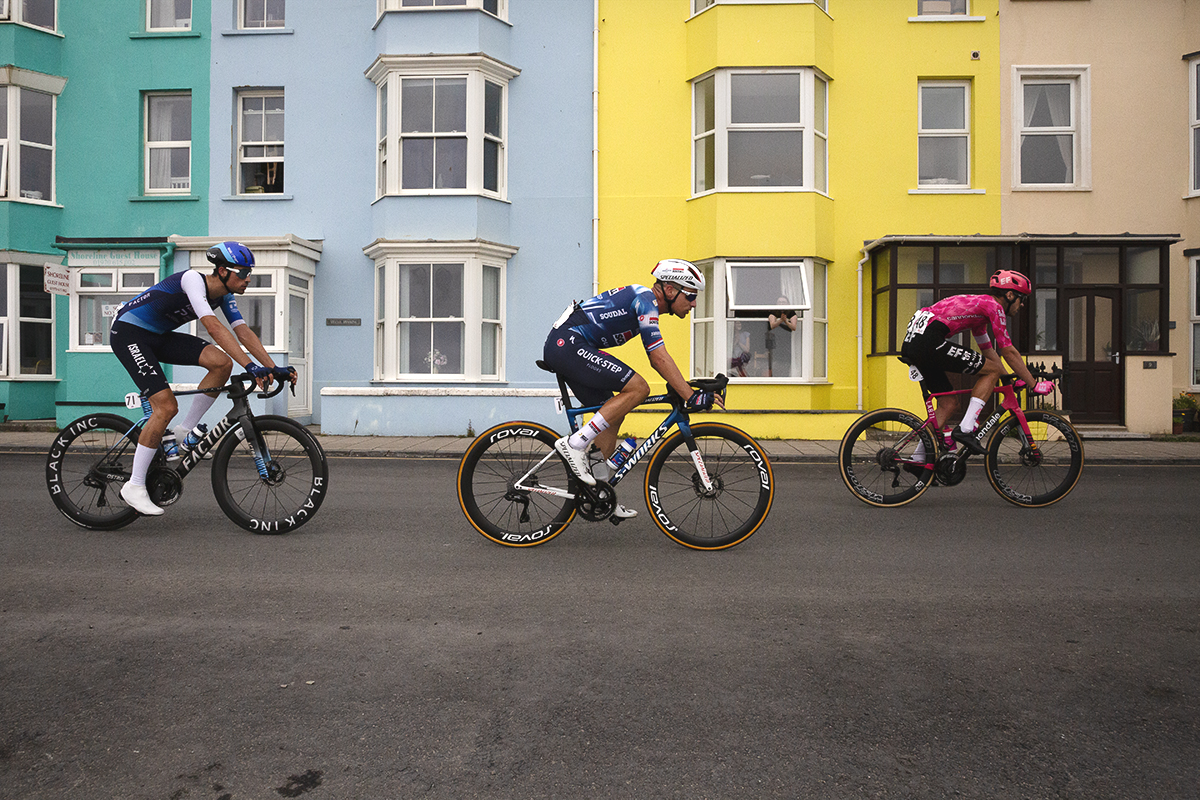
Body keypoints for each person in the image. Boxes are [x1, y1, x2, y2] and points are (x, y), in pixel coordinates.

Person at [109, 241, 296, 516]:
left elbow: (243, 332)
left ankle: (185, 431)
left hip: (158, 336)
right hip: (130, 333)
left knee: (221, 363)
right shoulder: (192, 281)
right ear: (222, 271)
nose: (248, 279)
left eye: (249, 273)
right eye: (243, 273)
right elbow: (213, 327)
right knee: (166, 406)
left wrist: (271, 367)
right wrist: (250, 365)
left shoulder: (224, 295)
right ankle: (134, 486)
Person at [543, 259, 725, 518]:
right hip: (567, 343)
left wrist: (684, 388)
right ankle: (576, 443)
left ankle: (599, 492)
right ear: (671, 291)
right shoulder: (645, 300)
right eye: (691, 295)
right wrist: (690, 395)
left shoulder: (646, 303)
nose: (694, 303)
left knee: (612, 413)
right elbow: (658, 357)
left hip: (570, 345)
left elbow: (660, 356)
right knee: (639, 388)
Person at [899, 269, 1053, 457]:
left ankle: (918, 458)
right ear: (1010, 295)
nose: (1022, 305)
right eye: (1023, 299)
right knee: (991, 371)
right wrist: (1034, 384)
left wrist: (1007, 380)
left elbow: (988, 351)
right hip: (928, 342)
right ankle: (966, 428)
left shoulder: (979, 311)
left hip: (914, 343)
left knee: (948, 404)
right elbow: (1008, 351)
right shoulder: (994, 307)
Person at [766, 298, 797, 377]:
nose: (781, 303)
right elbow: (772, 325)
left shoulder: (791, 313)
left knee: (786, 365)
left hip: (787, 342)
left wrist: (786, 321)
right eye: (779, 302)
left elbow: (793, 327)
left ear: (788, 303)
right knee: (776, 365)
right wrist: (781, 320)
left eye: (783, 302)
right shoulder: (773, 313)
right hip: (776, 342)